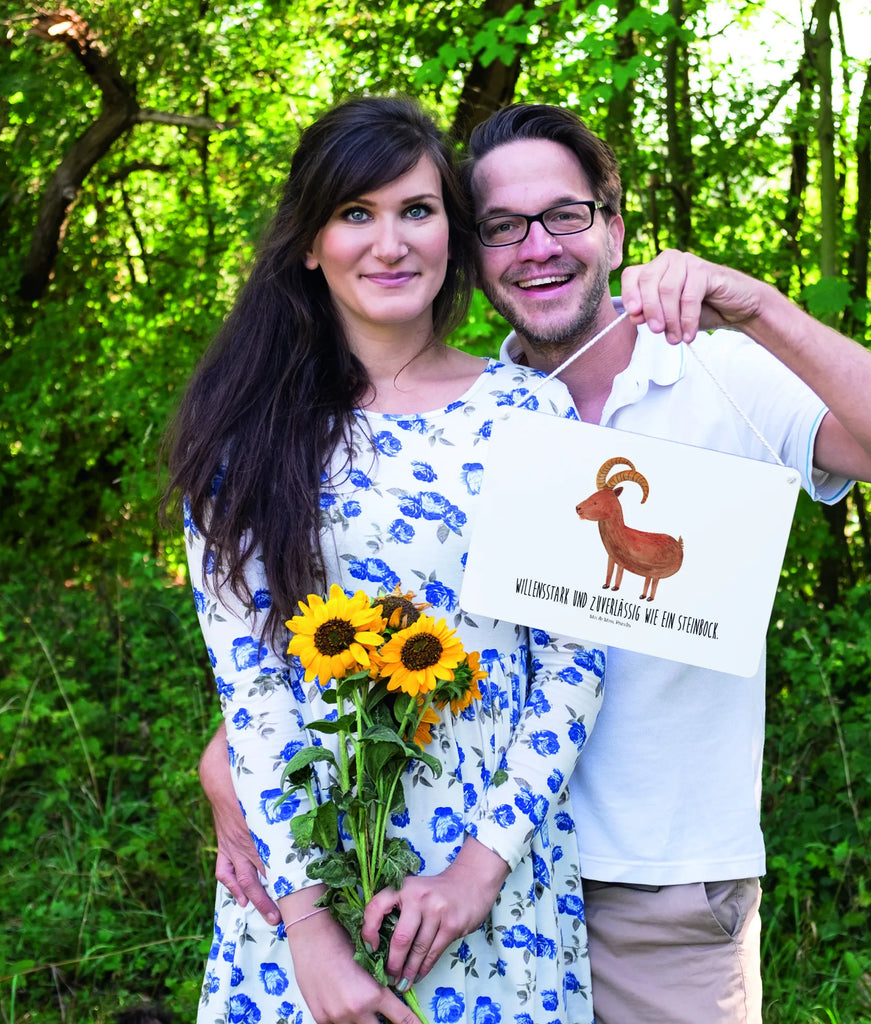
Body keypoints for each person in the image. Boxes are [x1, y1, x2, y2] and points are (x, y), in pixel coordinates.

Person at [202, 102, 871, 1023]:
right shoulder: (463, 418)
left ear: (612, 226)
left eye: (564, 215)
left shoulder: (712, 373)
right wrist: (236, 768)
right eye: (502, 227)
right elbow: (340, 628)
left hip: (653, 887)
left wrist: (759, 306)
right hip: (424, 875)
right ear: (474, 251)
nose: (536, 247)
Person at [165, 97, 607, 1024]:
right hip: (302, 888)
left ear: (452, 229)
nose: (390, 242)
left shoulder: (531, 415)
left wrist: (478, 873)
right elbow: (252, 691)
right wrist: (311, 936)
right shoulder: (244, 438)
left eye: (416, 210)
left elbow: (573, 662)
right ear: (309, 244)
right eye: (355, 214)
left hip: (492, 888)